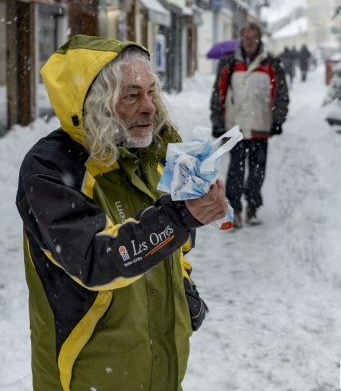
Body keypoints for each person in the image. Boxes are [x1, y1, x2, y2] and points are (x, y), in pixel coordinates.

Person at [16, 35, 228, 390]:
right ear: (95, 104)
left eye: (150, 92)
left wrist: (184, 288)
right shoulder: (50, 168)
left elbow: (176, 245)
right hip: (87, 372)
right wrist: (179, 216)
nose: (149, 107)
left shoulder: (151, 151)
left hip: (159, 364)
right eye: (131, 95)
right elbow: (94, 260)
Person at [210, 23, 289, 227]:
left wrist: (278, 119)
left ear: (259, 40)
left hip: (261, 126)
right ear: (240, 39)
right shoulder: (229, 63)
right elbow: (218, 94)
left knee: (257, 171)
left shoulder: (271, 63)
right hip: (235, 126)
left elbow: (281, 94)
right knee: (235, 170)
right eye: (245, 37)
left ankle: (252, 207)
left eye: (253, 38)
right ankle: (234, 209)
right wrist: (217, 122)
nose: (249, 42)